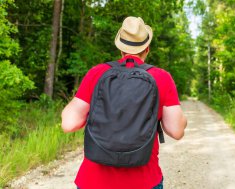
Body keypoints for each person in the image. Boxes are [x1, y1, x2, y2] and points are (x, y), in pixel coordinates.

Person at [61, 16, 187, 189]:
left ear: (120, 48)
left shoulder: (97, 73)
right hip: (144, 182)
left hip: (93, 182)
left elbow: (69, 124)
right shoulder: (161, 78)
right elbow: (176, 131)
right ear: (147, 49)